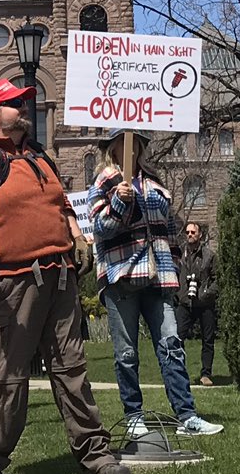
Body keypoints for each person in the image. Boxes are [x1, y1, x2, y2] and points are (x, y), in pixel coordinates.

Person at [0, 78, 130, 474]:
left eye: (24, 103)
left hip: (58, 278)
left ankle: (96, 456)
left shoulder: (38, 156)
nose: (23, 109)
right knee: (6, 380)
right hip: (8, 285)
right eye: (14, 104)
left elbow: (62, 205)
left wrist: (78, 238)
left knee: (72, 372)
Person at [90, 135, 223, 439]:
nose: (130, 148)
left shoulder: (153, 180)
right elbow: (100, 228)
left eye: (135, 142)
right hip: (121, 275)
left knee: (172, 345)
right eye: (122, 142)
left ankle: (187, 415)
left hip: (157, 277)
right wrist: (118, 204)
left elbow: (171, 227)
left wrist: (173, 262)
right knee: (126, 353)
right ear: (112, 148)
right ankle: (134, 415)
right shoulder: (105, 181)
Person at [177, 220, 220, 387]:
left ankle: (206, 374)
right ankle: (180, 374)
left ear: (200, 234)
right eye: (187, 232)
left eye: (192, 232)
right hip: (185, 303)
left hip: (204, 304)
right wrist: (177, 294)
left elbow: (218, 279)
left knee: (208, 340)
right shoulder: (180, 254)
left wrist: (207, 294)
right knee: (178, 338)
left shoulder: (209, 255)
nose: (189, 235)